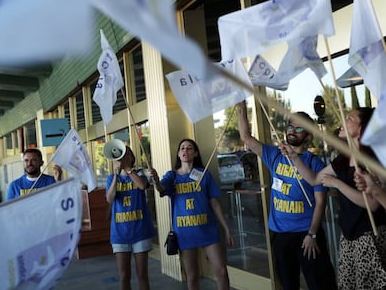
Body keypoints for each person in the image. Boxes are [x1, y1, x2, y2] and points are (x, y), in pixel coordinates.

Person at [280, 107, 386, 290]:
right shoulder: (342, 160)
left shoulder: (374, 160)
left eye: (350, 118)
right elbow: (314, 179)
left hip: (370, 237)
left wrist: (337, 184)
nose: (343, 122)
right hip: (348, 237)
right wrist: (294, 158)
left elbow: (372, 204)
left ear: (362, 128)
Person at [237, 101, 337, 290]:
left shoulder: (314, 162)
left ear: (307, 135)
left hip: (307, 235)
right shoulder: (275, 154)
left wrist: (312, 234)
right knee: (288, 284)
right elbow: (246, 137)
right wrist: (241, 108)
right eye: (290, 126)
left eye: (299, 128)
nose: (292, 130)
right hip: (280, 235)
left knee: (321, 284)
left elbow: (320, 202)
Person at [149, 139, 233, 290]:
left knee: (221, 271)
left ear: (195, 153)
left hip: (208, 230)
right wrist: (155, 180)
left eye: (189, 148)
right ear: (178, 154)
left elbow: (214, 203)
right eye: (182, 148)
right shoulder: (172, 176)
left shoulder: (204, 174)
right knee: (192, 276)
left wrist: (226, 228)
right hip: (184, 233)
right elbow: (161, 189)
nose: (185, 151)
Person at [105, 145, 156, 290]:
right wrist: (116, 175)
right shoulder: (111, 178)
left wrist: (128, 169)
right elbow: (110, 198)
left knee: (142, 274)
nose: (123, 159)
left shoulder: (140, 174)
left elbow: (142, 185)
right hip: (120, 233)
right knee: (124, 276)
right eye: (120, 156)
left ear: (132, 158)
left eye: (126, 155)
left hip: (140, 231)